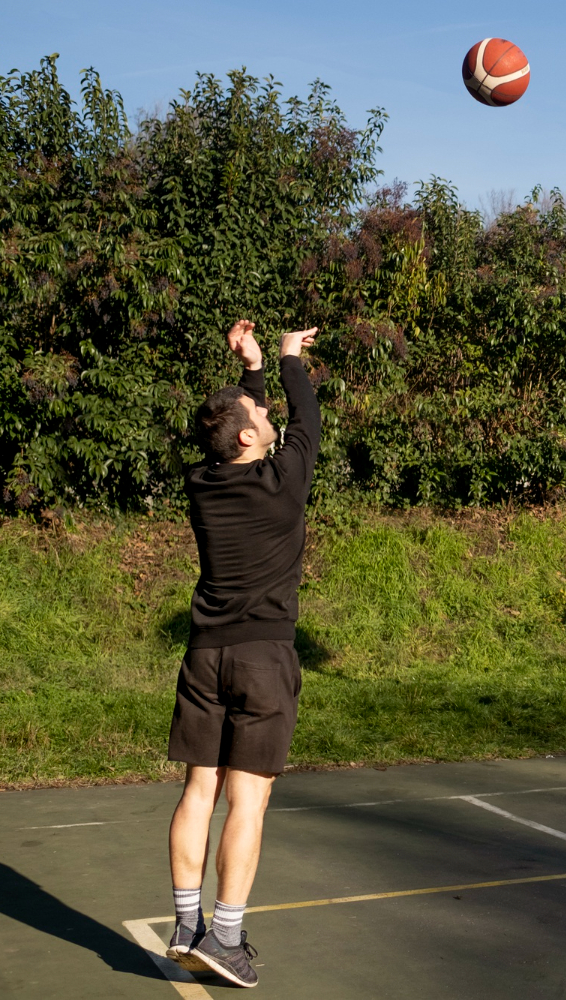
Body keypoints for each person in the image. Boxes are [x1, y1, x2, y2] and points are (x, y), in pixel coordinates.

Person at [163, 320, 320, 988]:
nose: (270, 418)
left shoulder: (204, 484)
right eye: (261, 415)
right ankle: (226, 938)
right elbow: (306, 418)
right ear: (253, 438)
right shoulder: (283, 484)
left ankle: (185, 924)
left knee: (202, 790)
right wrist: (286, 361)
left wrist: (251, 375)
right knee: (248, 803)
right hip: (262, 660)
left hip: (204, 658)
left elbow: (250, 428)